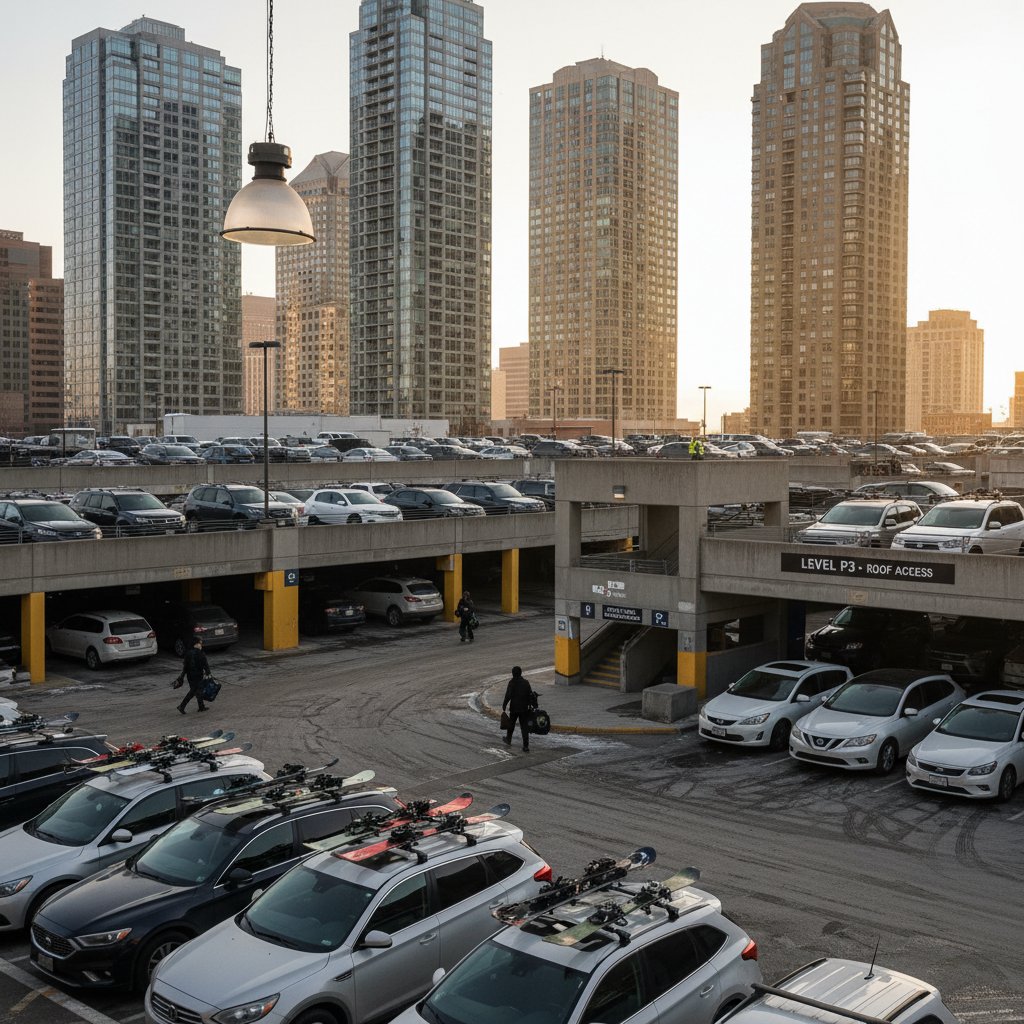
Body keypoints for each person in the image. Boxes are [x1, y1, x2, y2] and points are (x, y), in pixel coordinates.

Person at [502, 666, 535, 752]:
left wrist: (504, 704)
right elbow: (530, 695)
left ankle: (508, 739)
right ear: (521, 673)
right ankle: (526, 746)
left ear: (513, 674)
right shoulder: (526, 683)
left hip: (514, 708)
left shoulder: (511, 683)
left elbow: (508, 695)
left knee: (511, 724)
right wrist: (531, 705)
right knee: (524, 727)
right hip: (524, 708)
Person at [176, 637, 211, 714]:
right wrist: (208, 673)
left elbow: (185, 667)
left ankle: (201, 707)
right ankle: (182, 706)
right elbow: (205, 664)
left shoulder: (188, 653)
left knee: (197, 690)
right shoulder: (200, 653)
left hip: (190, 676)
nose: (201, 645)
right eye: (200, 643)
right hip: (198, 676)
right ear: (196, 644)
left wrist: (182, 676)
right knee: (195, 691)